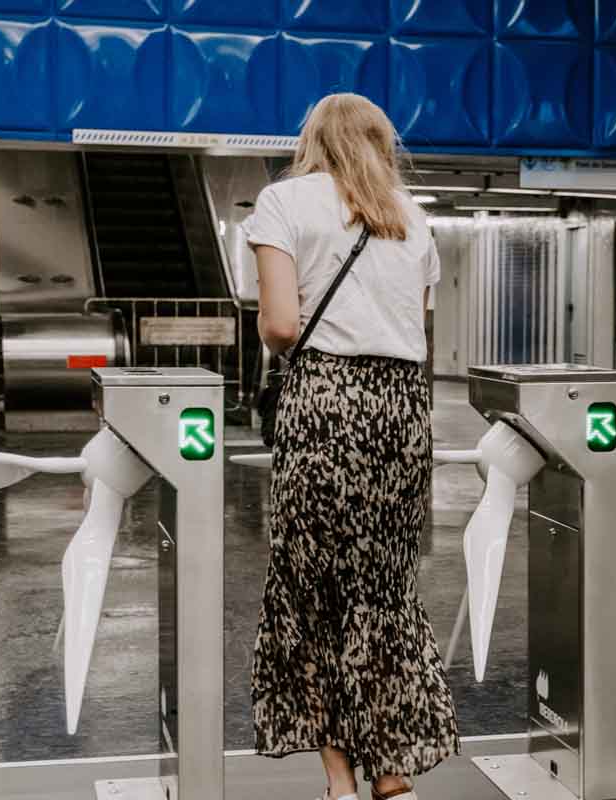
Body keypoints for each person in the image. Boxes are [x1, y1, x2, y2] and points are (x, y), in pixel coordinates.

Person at [243, 93, 457, 800]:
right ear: (379, 142)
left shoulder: (283, 202)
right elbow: (414, 325)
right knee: (384, 590)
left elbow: (278, 325)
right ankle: (391, 773)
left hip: (327, 404)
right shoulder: (412, 216)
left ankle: (339, 778)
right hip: (400, 408)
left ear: (314, 139)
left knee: (316, 592)